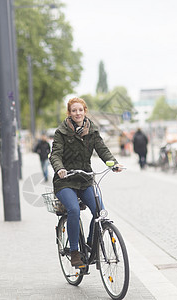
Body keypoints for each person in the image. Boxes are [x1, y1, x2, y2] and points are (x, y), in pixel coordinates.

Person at [49, 97, 124, 268]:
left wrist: (113, 164)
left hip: (84, 179)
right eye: (74, 110)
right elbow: (55, 154)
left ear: (85, 111)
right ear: (69, 113)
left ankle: (91, 243)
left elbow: (102, 149)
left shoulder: (92, 130)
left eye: (80, 110)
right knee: (74, 210)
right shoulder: (61, 132)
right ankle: (75, 252)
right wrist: (59, 169)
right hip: (65, 181)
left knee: (100, 211)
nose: (77, 113)